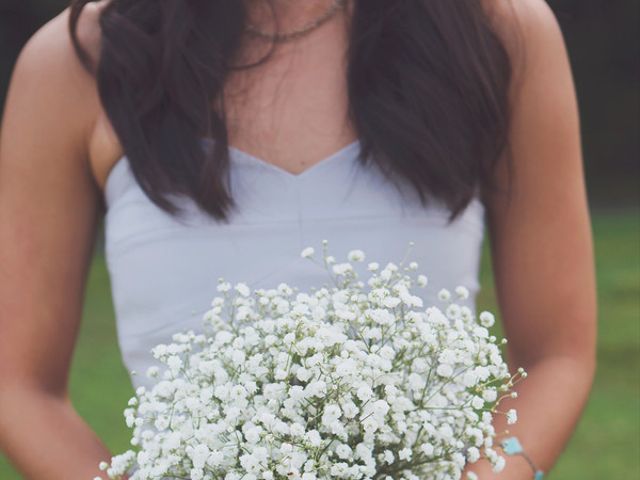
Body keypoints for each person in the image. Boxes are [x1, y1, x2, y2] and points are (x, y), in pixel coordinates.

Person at [0, 1, 596, 479]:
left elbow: (557, 352)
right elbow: (18, 383)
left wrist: (486, 475)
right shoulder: (78, 61)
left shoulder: (495, 30)